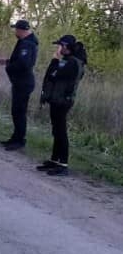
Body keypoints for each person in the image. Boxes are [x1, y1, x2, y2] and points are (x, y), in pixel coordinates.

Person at [36, 35, 87, 176]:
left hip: (63, 101)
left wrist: (55, 59)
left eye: (60, 46)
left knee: (61, 132)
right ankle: (54, 160)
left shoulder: (72, 63)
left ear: (66, 47)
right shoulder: (67, 61)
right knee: (56, 131)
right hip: (56, 99)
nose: (58, 48)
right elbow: (52, 75)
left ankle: (63, 164)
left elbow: (53, 75)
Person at [0, 19, 39, 151]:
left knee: (19, 112)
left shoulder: (28, 44)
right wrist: (8, 61)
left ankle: (20, 140)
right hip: (20, 82)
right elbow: (20, 60)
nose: (15, 32)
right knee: (16, 111)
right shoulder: (25, 42)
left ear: (21, 30)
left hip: (24, 83)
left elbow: (24, 64)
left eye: (16, 29)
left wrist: (10, 66)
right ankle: (15, 137)